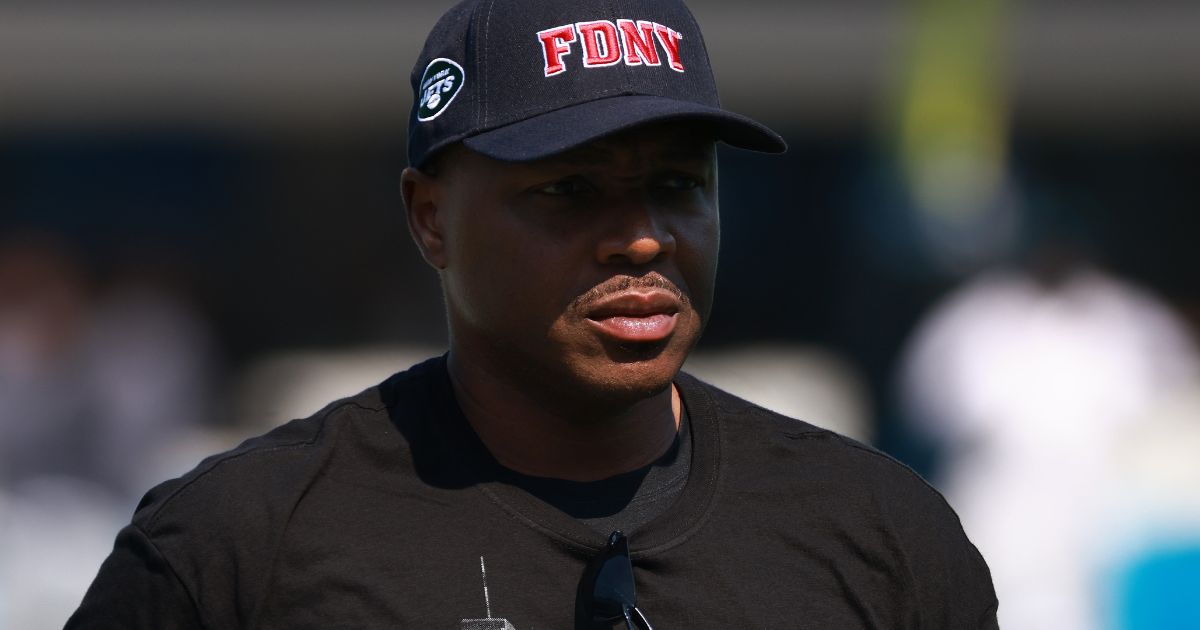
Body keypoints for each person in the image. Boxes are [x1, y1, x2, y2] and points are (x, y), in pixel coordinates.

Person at [68, 0, 998, 627]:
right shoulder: (236, 546)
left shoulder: (884, 536)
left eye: (677, 185)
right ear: (430, 216)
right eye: (570, 191)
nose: (642, 240)